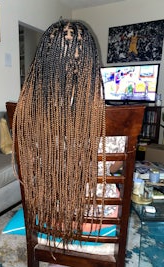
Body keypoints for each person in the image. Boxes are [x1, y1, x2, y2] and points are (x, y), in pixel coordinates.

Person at [13, 19, 125, 245]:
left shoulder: (26, 115)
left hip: (47, 213)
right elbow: (115, 166)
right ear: (90, 63)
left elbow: (26, 163)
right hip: (96, 217)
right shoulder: (109, 118)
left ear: (44, 62)